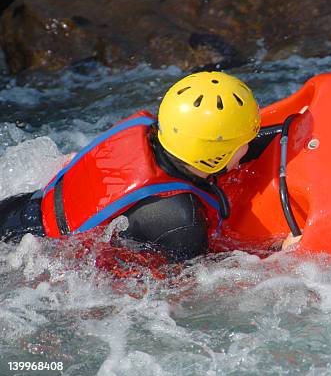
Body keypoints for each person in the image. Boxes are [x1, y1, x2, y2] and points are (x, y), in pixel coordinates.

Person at [0, 71, 267, 261]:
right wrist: (279, 253)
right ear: (216, 154)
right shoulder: (181, 222)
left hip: (17, 211)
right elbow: (202, 286)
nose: (250, 144)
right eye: (245, 141)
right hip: (27, 258)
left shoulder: (149, 133)